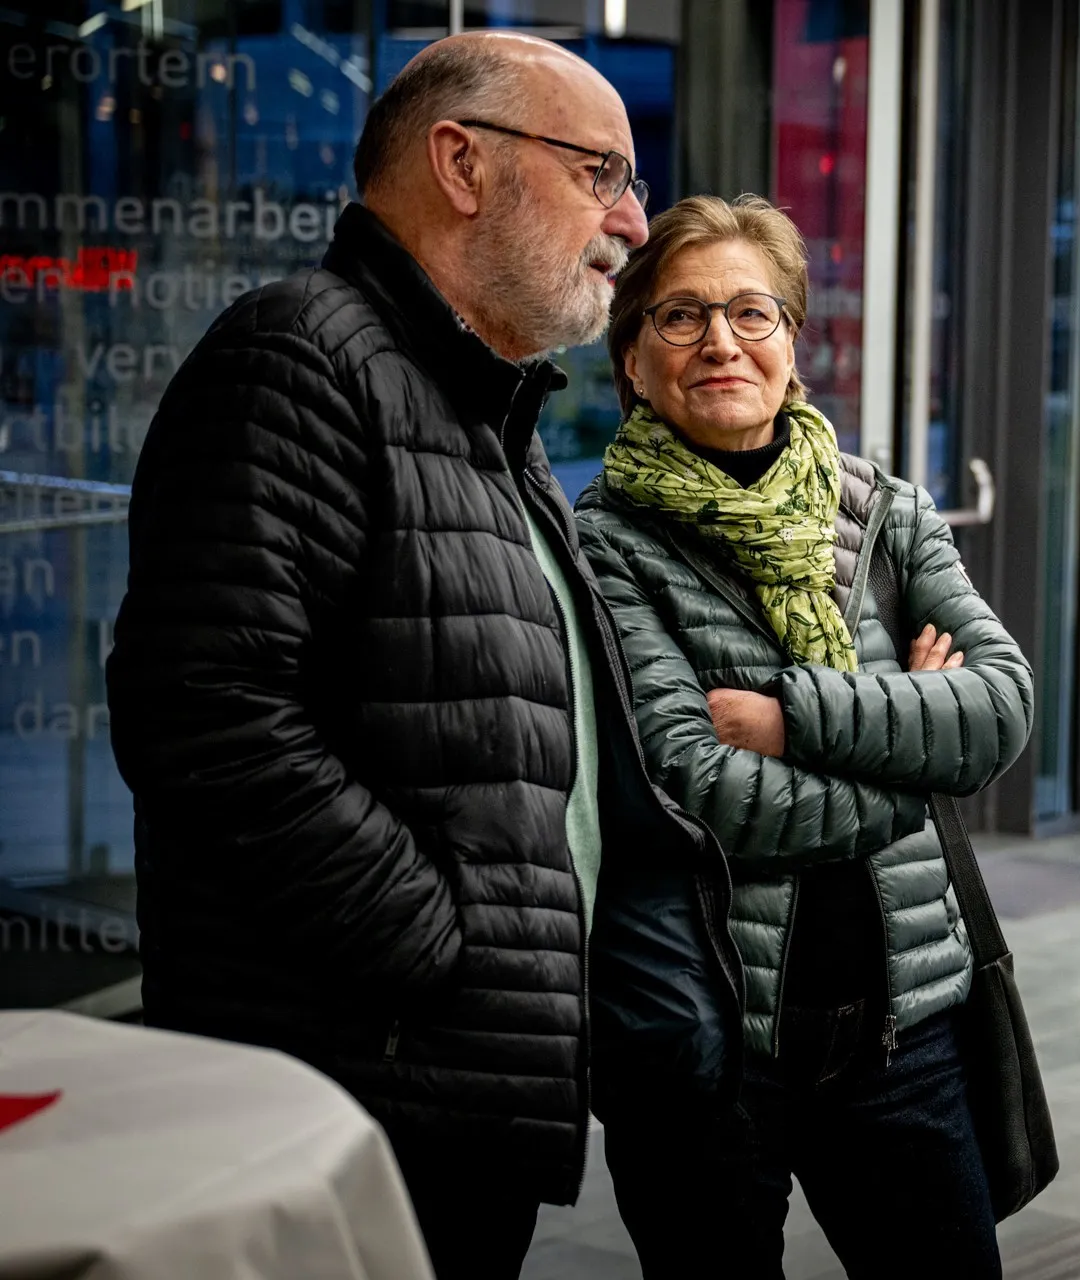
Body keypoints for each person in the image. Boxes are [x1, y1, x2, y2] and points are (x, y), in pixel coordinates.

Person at [106, 34, 741, 1279]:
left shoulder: (483, 405)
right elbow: (204, 712)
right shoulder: (299, 358)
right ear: (461, 164)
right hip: (363, 1086)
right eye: (603, 174)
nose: (633, 220)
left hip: (448, 1078)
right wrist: (440, 943)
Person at [573, 193, 1035, 1279]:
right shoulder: (603, 545)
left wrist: (796, 720)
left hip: (906, 1030)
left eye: (752, 311)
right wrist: (910, 755)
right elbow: (696, 787)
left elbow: (1001, 707)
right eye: (680, 316)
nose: (721, 341)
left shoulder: (884, 512)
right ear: (631, 358)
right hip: (712, 1041)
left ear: (792, 342)